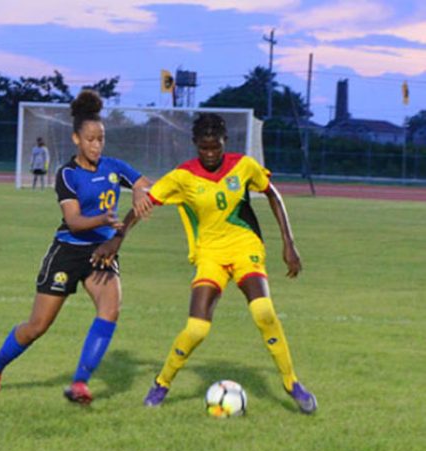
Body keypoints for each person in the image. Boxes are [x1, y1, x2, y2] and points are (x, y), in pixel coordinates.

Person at [92, 112, 317, 414]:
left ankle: (292, 384)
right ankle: (162, 383)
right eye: (204, 147)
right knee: (197, 329)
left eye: (216, 147)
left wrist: (289, 243)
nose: (210, 154)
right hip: (209, 254)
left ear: (225, 142)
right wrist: (117, 240)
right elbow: (143, 204)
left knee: (263, 311)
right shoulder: (183, 176)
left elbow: (273, 195)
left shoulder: (244, 165)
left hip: (244, 247)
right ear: (195, 144)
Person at [0, 90, 153, 404]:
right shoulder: (68, 174)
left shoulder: (114, 167)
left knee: (110, 309)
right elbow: (73, 221)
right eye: (90, 139)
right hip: (68, 251)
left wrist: (139, 197)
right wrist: (103, 218)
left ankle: (80, 384)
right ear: (76, 139)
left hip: (102, 251)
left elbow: (147, 188)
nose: (97, 145)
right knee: (37, 326)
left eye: (101, 138)